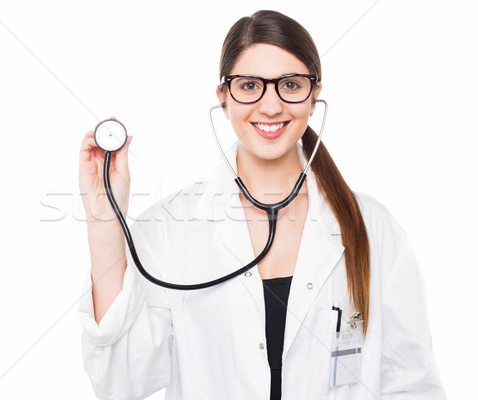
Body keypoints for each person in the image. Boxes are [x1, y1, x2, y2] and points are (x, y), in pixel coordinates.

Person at [77, 10, 445, 400]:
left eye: (289, 84)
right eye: (250, 85)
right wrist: (103, 221)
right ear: (223, 97)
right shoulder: (170, 229)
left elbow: (411, 386)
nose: (270, 107)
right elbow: (121, 385)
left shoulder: (372, 227)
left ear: (314, 93)